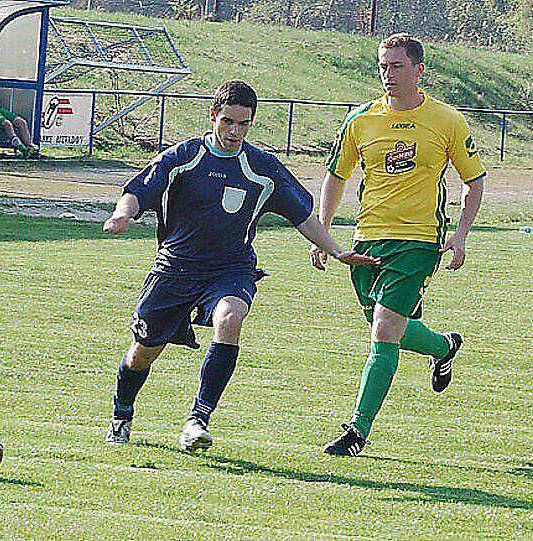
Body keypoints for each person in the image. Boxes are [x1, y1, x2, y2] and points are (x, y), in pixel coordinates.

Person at [102, 80, 377, 452]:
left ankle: (197, 420)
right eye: (228, 121)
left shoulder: (263, 169)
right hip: (174, 269)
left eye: (243, 124)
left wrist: (337, 250)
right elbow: (138, 191)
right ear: (213, 115)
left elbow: (304, 217)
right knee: (142, 353)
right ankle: (122, 414)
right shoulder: (183, 158)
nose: (234, 131)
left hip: (230, 269)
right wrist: (122, 216)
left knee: (230, 319)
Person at [311, 33, 486, 456]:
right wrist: (323, 231)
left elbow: (474, 181)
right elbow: (336, 177)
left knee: (385, 331)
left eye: (397, 66)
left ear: (419, 69)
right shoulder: (360, 120)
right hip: (367, 240)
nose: (388, 74)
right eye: (383, 66)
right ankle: (444, 346)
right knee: (390, 329)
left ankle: (357, 431)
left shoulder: (446, 120)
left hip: (418, 242)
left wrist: (459, 236)